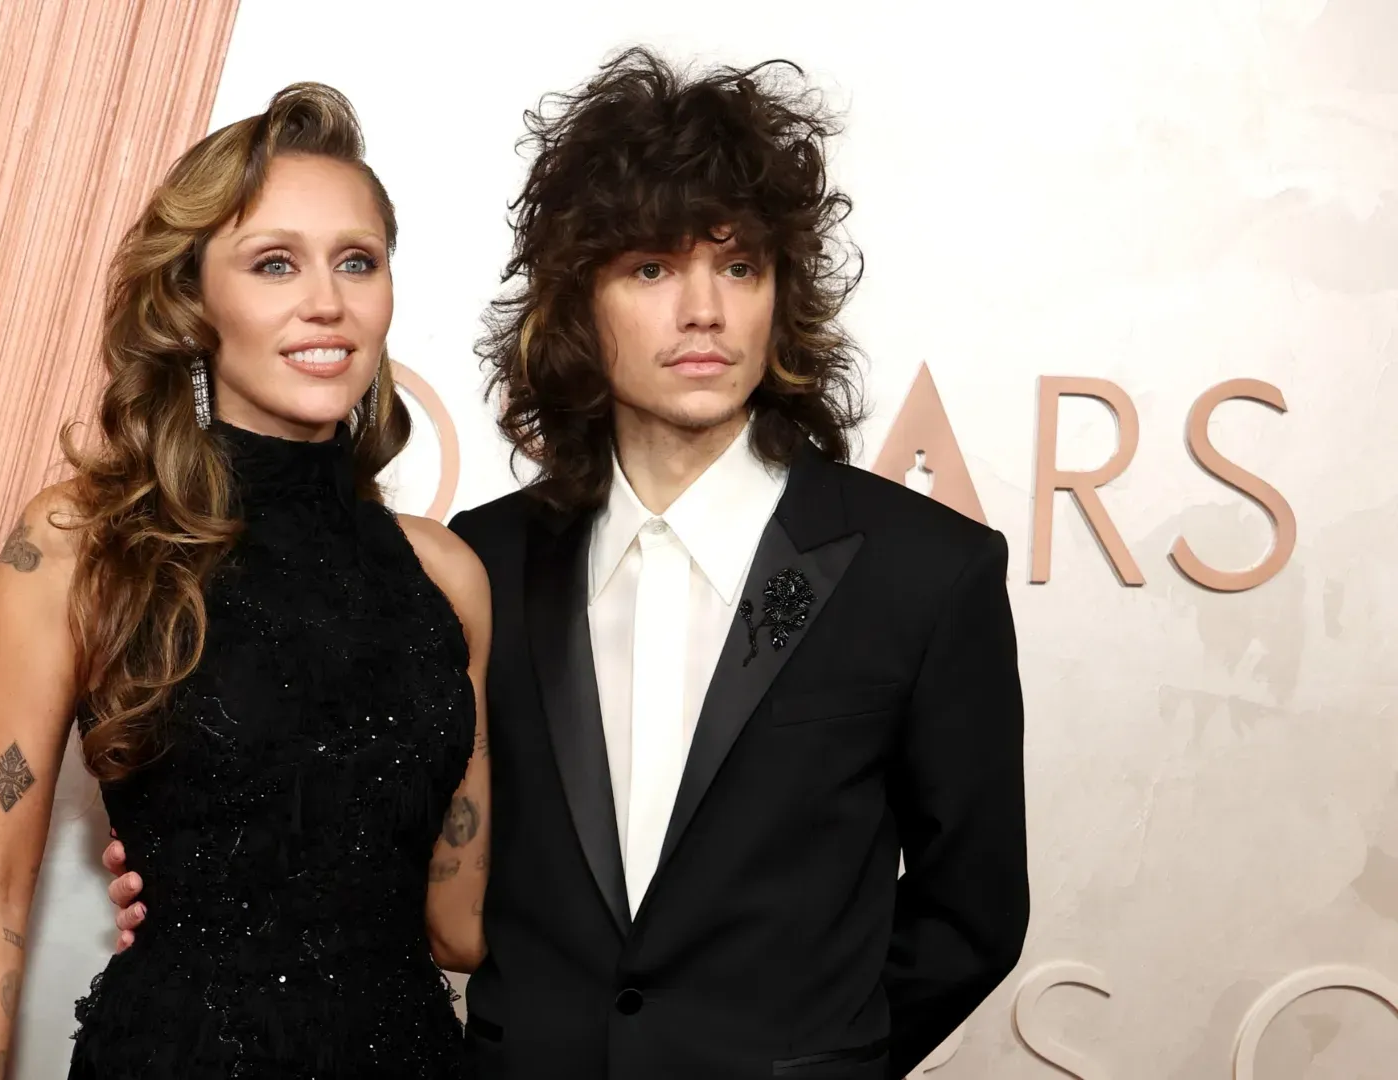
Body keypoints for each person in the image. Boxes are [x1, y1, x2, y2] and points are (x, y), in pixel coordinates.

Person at [109, 48, 1028, 1078]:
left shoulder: (923, 572)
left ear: (783, 296)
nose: (704, 313)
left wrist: (821, 1057)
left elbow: (972, 915)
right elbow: (377, 812)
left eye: (739, 265)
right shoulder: (479, 564)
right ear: (579, 302)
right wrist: (206, 875)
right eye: (651, 268)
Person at [0, 82, 492, 1080]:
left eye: (356, 261)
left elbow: (458, 926)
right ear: (193, 302)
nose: (328, 300)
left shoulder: (447, 579)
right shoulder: (77, 543)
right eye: (275, 263)